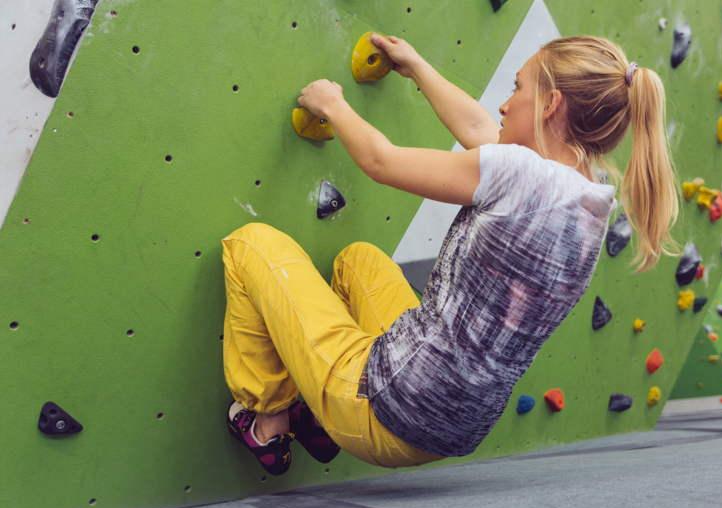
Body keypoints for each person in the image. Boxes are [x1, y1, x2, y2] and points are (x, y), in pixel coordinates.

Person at [222, 34, 680, 475]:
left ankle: (269, 422)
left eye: (517, 88)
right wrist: (417, 67)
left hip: (384, 407)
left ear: (550, 104)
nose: (504, 104)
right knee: (358, 262)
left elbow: (381, 161)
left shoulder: (518, 173)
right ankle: (317, 423)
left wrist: (331, 104)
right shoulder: (589, 204)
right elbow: (483, 133)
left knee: (249, 246)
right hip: (453, 425)